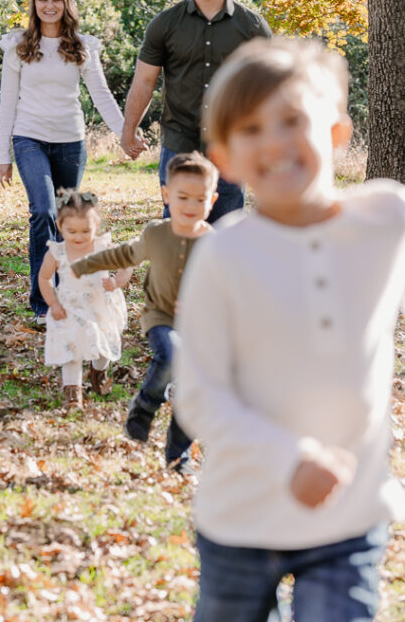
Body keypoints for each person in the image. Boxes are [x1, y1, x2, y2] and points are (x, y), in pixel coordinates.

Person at [174, 37, 405, 621]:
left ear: (335, 132)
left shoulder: (385, 220)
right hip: (242, 518)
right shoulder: (224, 256)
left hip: (348, 517)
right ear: (224, 156)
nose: (275, 140)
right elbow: (200, 395)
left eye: (293, 120)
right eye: (251, 128)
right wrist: (288, 458)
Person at [70, 151, 217, 472]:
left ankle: (179, 458)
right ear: (166, 195)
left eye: (199, 199)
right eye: (182, 197)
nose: (190, 206)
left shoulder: (214, 243)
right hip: (160, 317)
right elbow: (125, 254)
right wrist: (85, 264)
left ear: (213, 200)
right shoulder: (156, 233)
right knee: (170, 355)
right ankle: (145, 406)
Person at [0, 0, 124, 322]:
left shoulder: (82, 47)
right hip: (29, 138)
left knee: (69, 220)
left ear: (66, 4)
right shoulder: (18, 47)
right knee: (42, 212)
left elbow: (101, 95)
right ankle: (42, 304)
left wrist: (126, 133)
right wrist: (2, 155)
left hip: (70, 142)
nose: (49, 6)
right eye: (42, 0)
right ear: (34, 5)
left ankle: (68, 292)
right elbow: (7, 103)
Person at [121, 0, 271, 222]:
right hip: (179, 142)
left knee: (227, 232)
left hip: (229, 145)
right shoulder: (165, 24)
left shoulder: (252, 27)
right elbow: (143, 82)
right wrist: (129, 130)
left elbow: (266, 91)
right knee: (177, 232)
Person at [39, 189, 132, 410]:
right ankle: (73, 392)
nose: (79, 237)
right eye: (72, 231)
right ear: (60, 227)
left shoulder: (102, 248)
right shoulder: (57, 252)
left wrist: (117, 282)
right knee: (71, 349)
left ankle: (98, 370)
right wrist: (53, 303)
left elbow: (128, 263)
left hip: (100, 307)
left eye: (85, 231)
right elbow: (44, 278)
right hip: (70, 308)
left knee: (103, 347)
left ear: (96, 227)